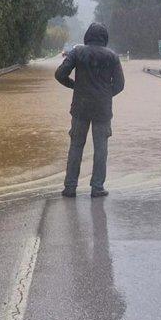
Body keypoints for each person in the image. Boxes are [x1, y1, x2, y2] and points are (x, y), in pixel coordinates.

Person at [54, 23, 125, 198]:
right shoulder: (113, 57)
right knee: (101, 149)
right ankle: (97, 187)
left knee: (76, 146)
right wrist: (105, 94)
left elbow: (59, 74)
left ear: (87, 37)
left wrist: (76, 86)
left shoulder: (77, 52)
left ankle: (70, 187)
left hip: (80, 106)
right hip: (102, 109)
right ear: (105, 39)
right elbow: (120, 85)